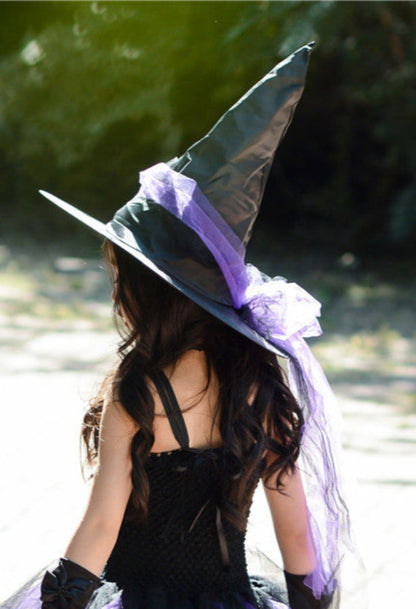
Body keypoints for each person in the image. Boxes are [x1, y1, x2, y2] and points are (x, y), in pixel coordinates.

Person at [1, 43, 355, 609]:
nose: (116, 295)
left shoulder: (137, 392)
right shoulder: (261, 385)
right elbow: (296, 530)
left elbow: (101, 525)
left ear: (151, 295)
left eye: (122, 281)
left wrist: (58, 603)